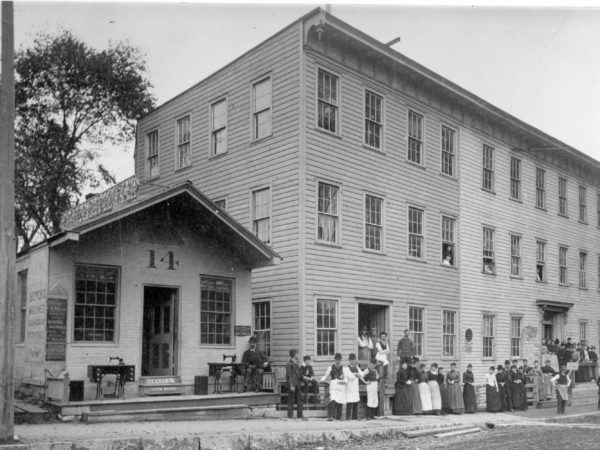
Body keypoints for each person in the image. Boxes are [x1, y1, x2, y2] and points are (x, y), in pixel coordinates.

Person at [321, 353, 347, 421]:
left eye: (339, 360)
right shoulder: (330, 367)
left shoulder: (344, 369)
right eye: (336, 360)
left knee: (340, 402)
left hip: (340, 387)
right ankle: (331, 416)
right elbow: (326, 376)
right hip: (333, 387)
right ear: (335, 360)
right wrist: (322, 380)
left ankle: (339, 417)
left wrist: (340, 381)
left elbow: (346, 380)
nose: (338, 361)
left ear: (340, 360)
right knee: (332, 400)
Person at [285, 349, 304, 419]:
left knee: (300, 399)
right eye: (297, 354)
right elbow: (289, 376)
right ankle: (290, 415)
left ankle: (300, 415)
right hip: (292, 384)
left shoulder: (296, 363)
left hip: (297, 384)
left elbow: (299, 374)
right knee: (291, 400)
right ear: (294, 355)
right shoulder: (289, 364)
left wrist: (305, 378)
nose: (298, 355)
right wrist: (291, 385)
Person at [344, 353, 364, 420]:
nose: (352, 361)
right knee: (349, 403)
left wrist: (358, 374)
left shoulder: (357, 367)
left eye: (353, 360)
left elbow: (362, 374)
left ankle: (354, 418)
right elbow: (350, 376)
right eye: (351, 360)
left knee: (355, 403)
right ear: (349, 360)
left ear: (355, 360)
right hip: (349, 388)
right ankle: (348, 418)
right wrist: (356, 374)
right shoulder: (346, 368)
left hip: (355, 388)